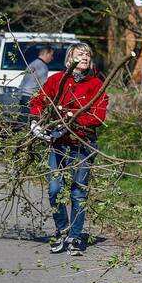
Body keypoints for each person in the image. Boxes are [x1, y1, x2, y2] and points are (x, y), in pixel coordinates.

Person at [29, 42, 109, 256]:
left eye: (88, 55)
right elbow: (39, 101)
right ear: (69, 59)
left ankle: (74, 236)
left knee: (78, 192)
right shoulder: (57, 80)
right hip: (59, 143)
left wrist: (71, 119)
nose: (85, 57)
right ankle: (62, 230)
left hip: (83, 144)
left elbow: (97, 116)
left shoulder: (96, 84)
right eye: (80, 54)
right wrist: (35, 121)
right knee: (55, 189)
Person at [17, 45, 55, 126]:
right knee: (28, 122)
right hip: (31, 96)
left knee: (22, 120)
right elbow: (43, 85)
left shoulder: (33, 64)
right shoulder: (42, 66)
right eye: (51, 55)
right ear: (46, 53)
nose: (52, 58)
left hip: (24, 95)